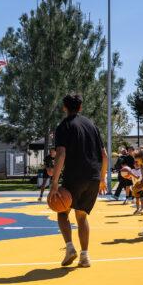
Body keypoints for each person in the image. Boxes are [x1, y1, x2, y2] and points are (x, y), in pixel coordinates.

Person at [49, 94, 107, 268]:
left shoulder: (64, 126)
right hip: (94, 177)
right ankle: (85, 256)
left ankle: (69, 248)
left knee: (62, 211)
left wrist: (54, 183)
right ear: (80, 107)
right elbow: (104, 155)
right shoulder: (92, 125)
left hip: (75, 176)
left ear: (64, 107)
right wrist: (103, 178)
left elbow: (61, 154)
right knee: (81, 217)